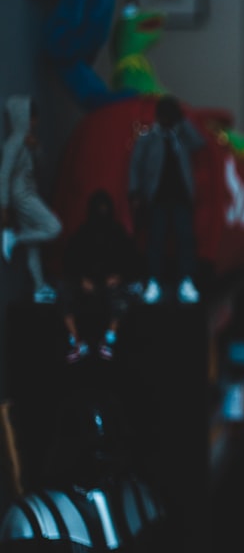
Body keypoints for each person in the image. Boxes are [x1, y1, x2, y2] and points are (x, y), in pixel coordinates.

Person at [128, 94, 203, 305]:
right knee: (156, 241)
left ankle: (186, 282)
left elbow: (199, 143)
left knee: (185, 240)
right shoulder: (149, 138)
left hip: (181, 196)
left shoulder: (181, 136)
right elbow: (136, 165)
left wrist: (183, 121)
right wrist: (134, 192)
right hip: (156, 197)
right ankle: (153, 282)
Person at [61, 189, 137, 363]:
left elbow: (131, 259)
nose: (102, 213)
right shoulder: (83, 232)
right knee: (64, 292)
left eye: (105, 209)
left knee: (123, 296)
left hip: (111, 284)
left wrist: (119, 276)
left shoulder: (117, 232)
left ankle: (109, 340)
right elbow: (70, 260)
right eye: (98, 209)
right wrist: (81, 279)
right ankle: (77, 343)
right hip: (85, 282)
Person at [0, 95, 62, 304]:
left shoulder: (27, 141)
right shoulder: (15, 142)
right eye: (32, 118)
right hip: (23, 196)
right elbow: (4, 173)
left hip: (28, 193)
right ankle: (15, 237)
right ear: (24, 117)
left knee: (34, 246)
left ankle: (39, 287)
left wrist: (36, 149)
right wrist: (4, 206)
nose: (35, 123)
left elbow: (41, 169)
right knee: (54, 228)